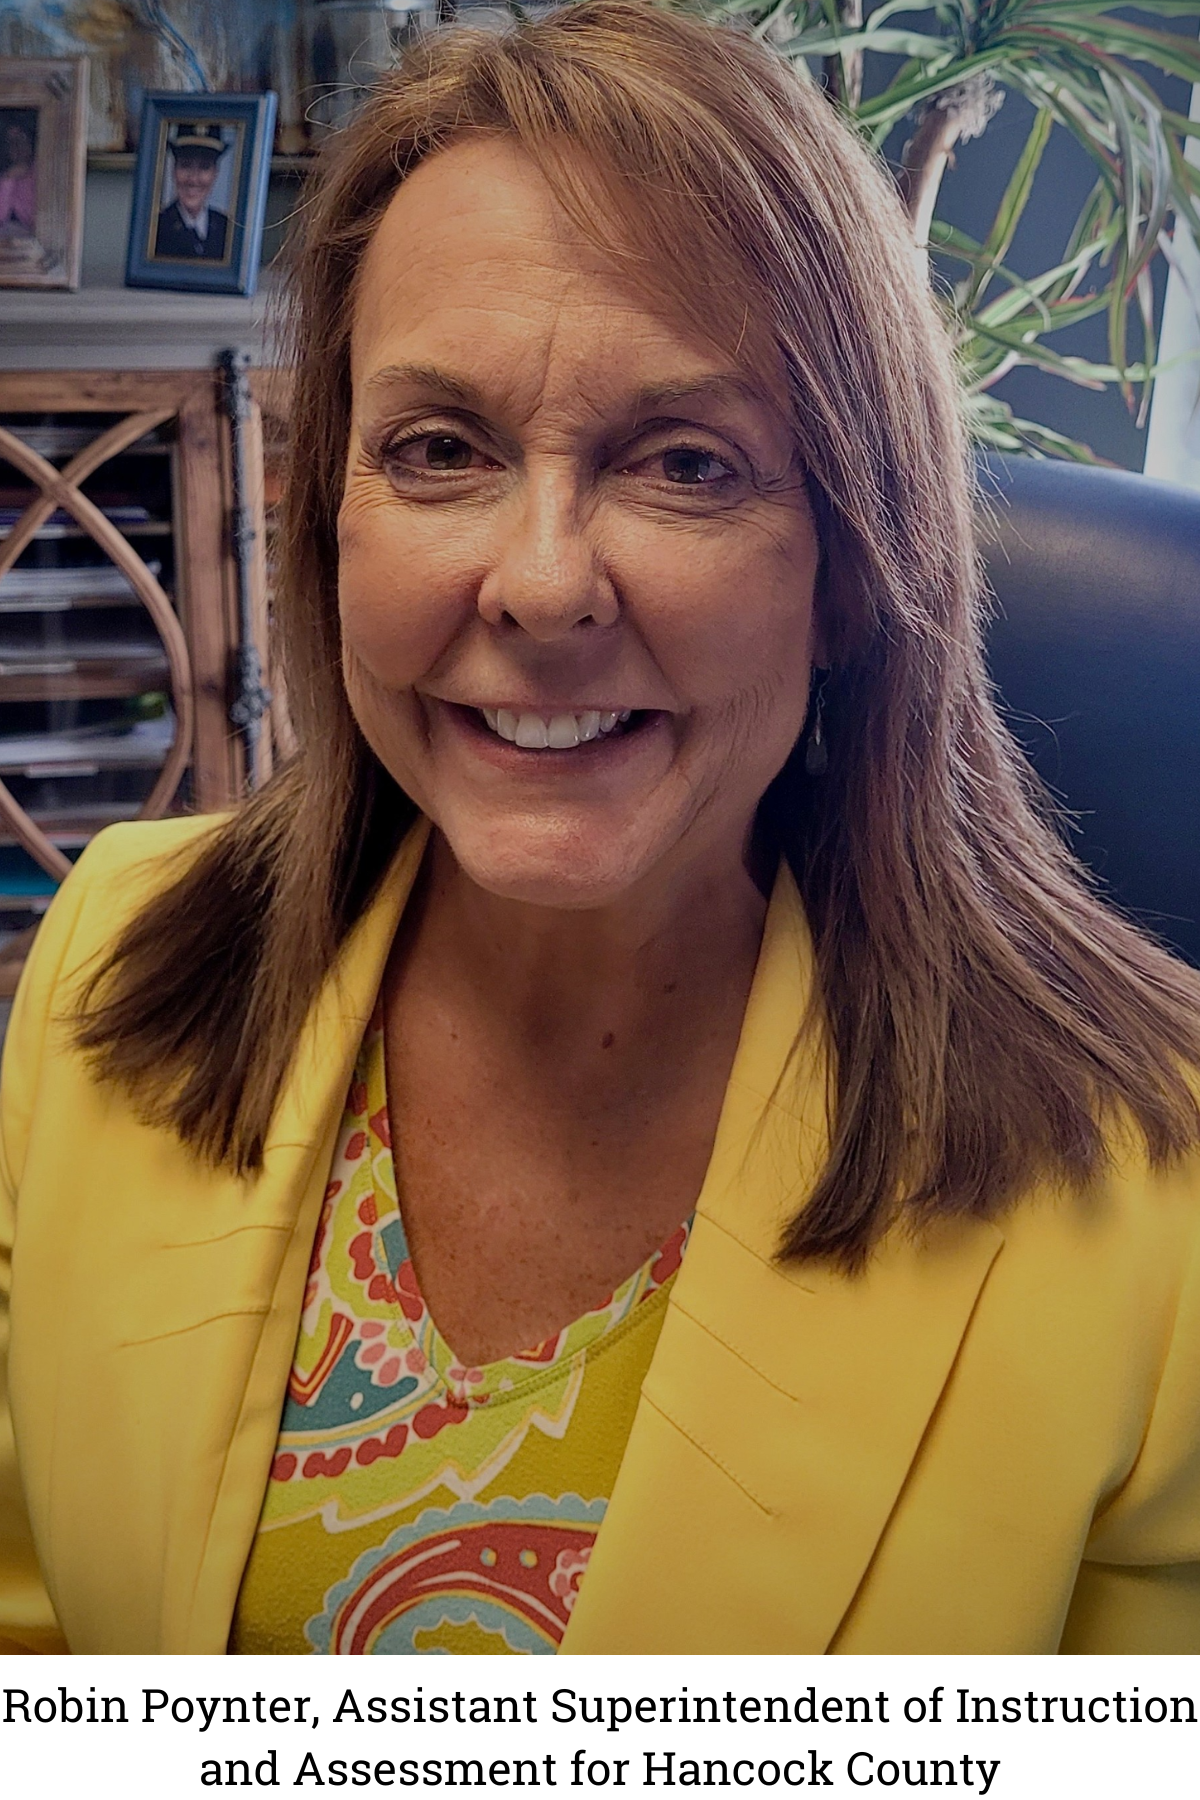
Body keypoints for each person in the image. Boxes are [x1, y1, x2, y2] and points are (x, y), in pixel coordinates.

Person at [3, 0, 1200, 1656]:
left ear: (854, 568)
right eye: (439, 450)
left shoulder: (1156, 1189)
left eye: (687, 465)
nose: (544, 582)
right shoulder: (112, 960)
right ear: (330, 516)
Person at [153, 122, 230, 261]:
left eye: (204, 167)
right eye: (185, 165)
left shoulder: (227, 229)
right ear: (173, 170)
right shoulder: (155, 228)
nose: (193, 179)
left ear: (215, 173)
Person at [0, 118, 36, 238]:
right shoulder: (6, 174)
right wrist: (8, 179)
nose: (16, 146)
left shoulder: (42, 172)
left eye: (21, 139)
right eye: (10, 142)